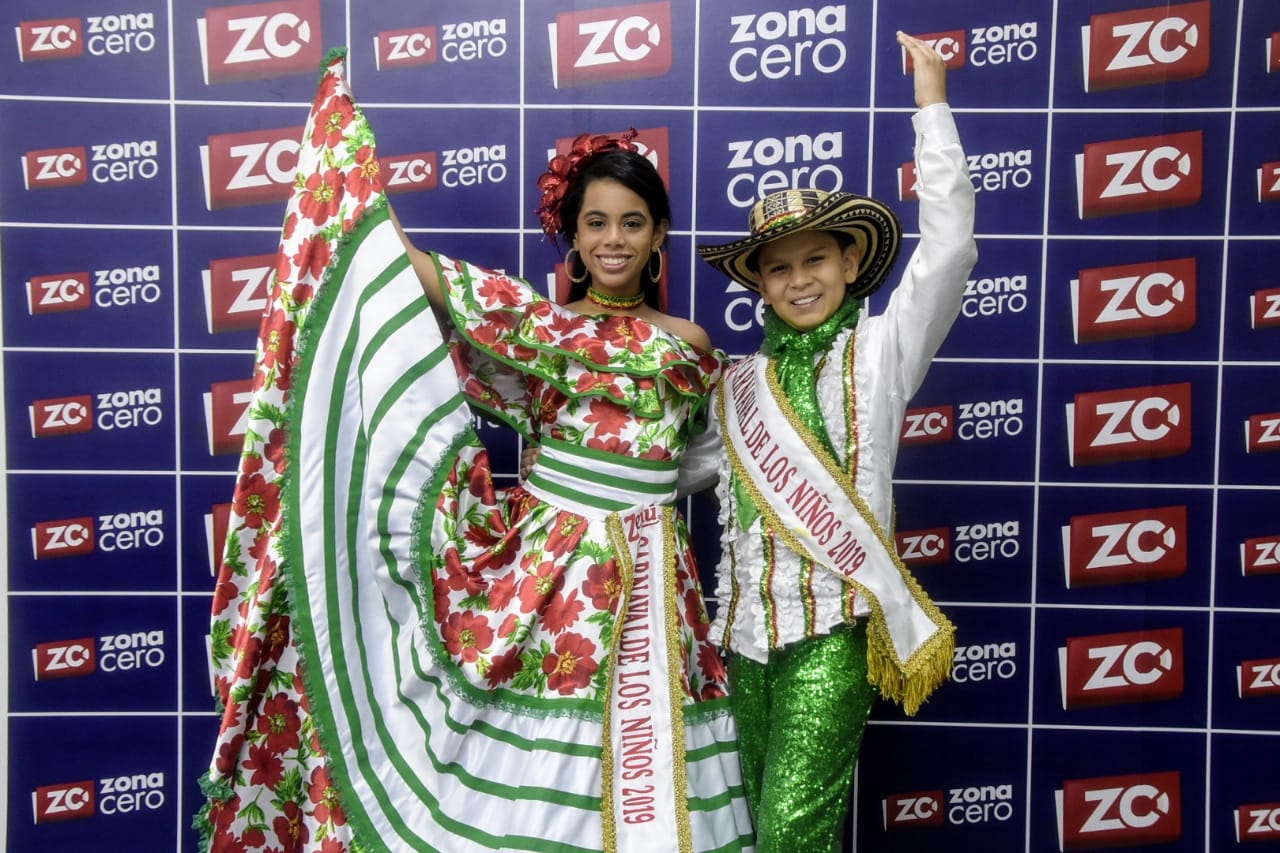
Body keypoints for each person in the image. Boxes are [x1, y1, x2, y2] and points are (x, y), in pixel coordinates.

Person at [196, 50, 753, 852]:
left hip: (658, 586)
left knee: (655, 785)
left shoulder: (685, 346)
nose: (614, 238)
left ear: (660, 234)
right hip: (550, 581)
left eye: (633, 222)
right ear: (572, 234)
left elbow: (688, 452)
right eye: (595, 221)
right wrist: (360, 209)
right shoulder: (542, 335)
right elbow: (465, 312)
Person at [690, 32, 978, 851]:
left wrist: (931, 97)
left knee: (791, 834)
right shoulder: (735, 385)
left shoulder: (881, 351)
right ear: (760, 286)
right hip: (740, 642)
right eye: (778, 269)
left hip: (832, 639)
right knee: (751, 830)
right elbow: (676, 470)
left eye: (816, 258)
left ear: (851, 263)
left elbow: (951, 247)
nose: (800, 279)